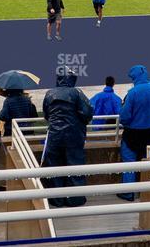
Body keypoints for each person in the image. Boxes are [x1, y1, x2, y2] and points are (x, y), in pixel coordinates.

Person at [117, 65, 150, 201]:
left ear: (134, 77)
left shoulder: (132, 93)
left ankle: (128, 193)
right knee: (149, 163)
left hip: (132, 135)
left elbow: (124, 116)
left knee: (129, 165)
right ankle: (148, 194)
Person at [41, 71, 93, 207]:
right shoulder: (77, 93)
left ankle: (56, 200)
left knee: (54, 168)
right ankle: (74, 200)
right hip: (74, 136)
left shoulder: (49, 93)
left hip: (54, 136)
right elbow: (87, 113)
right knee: (75, 166)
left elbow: (46, 114)